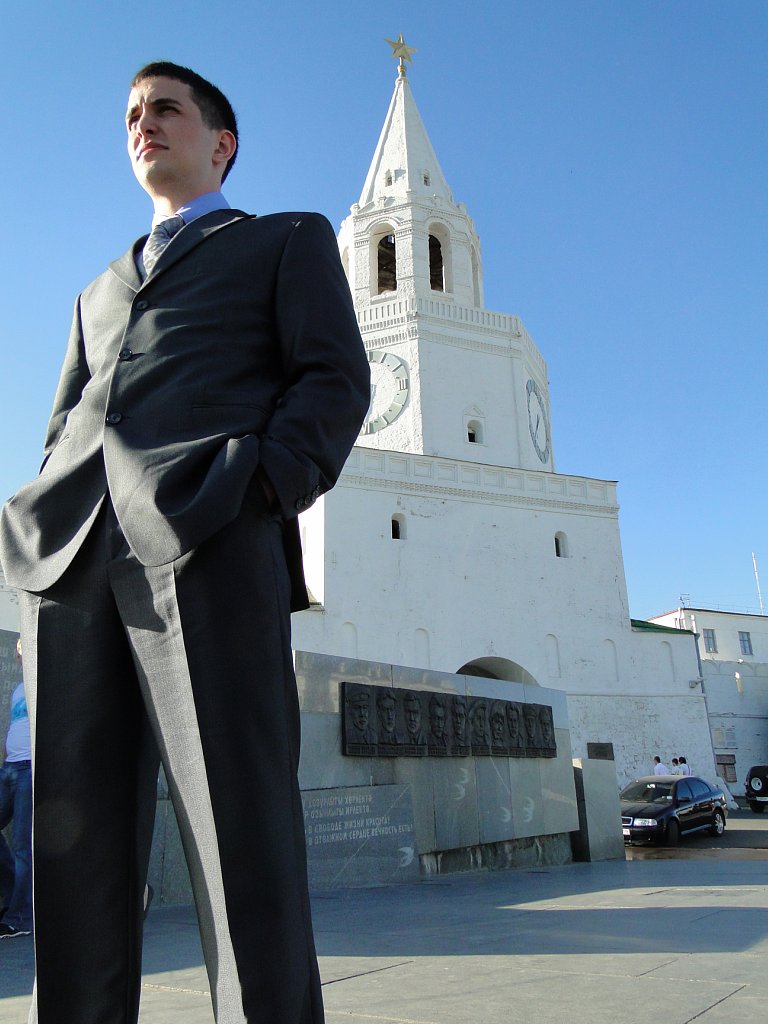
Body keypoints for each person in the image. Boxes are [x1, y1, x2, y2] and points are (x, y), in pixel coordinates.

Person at [0, 61, 369, 1024]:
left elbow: (333, 380)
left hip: (208, 540)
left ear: (221, 142)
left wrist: (261, 488)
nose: (143, 124)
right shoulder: (96, 290)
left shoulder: (286, 239)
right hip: (69, 565)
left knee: (238, 835)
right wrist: (38, 519)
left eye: (165, 109)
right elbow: (64, 423)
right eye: (132, 114)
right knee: (75, 854)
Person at [0, 639, 32, 939]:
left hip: (30, 770)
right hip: (9, 768)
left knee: (23, 846)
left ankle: (21, 917)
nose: (18, 652)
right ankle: (14, 899)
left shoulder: (41, 684)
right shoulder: (18, 690)